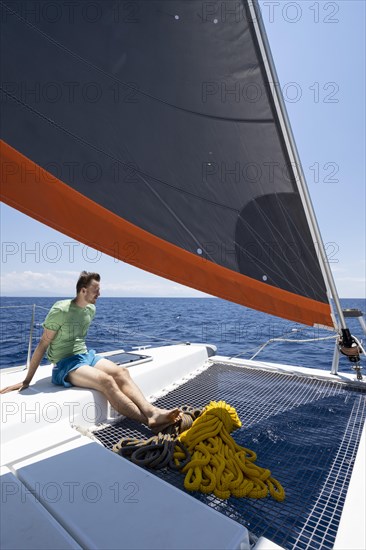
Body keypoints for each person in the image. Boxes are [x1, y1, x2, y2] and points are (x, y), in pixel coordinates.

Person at [0, 271, 181, 432]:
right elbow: (42, 344)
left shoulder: (90, 309)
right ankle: (147, 421)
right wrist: (26, 380)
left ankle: (153, 412)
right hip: (66, 364)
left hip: (85, 356)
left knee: (121, 372)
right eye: (96, 290)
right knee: (106, 381)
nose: (99, 294)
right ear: (83, 291)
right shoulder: (60, 310)